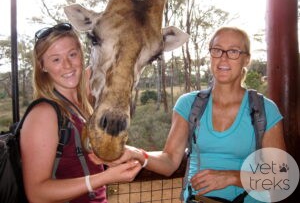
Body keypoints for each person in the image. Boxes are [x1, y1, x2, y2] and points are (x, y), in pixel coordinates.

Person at [101, 27, 286, 202]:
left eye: (234, 51)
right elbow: (169, 161)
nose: (223, 58)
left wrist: (232, 178)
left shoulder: (264, 110)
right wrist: (138, 154)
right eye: (217, 50)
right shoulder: (190, 105)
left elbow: (281, 177)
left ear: (246, 60)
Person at [20, 22, 142, 203]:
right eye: (56, 59)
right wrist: (105, 178)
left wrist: (108, 160)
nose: (68, 65)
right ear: (42, 66)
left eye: (72, 54)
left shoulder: (80, 106)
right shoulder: (44, 114)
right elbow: (37, 193)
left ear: (81, 55)